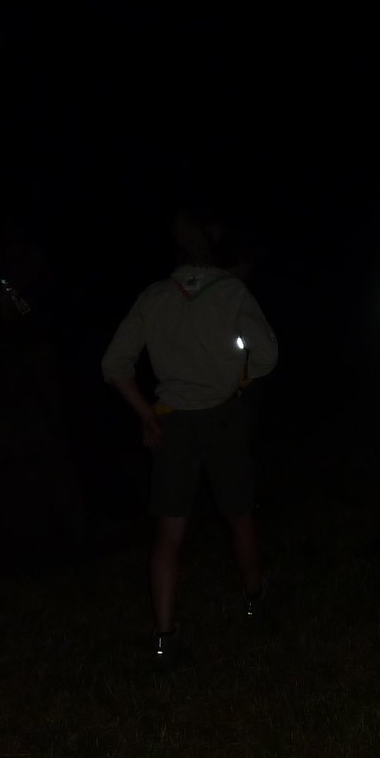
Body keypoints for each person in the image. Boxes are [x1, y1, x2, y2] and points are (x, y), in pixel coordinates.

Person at [101, 203, 277, 668]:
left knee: (169, 529)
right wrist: (238, 380)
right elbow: (267, 356)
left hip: (172, 420)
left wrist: (146, 415)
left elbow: (113, 365)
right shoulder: (231, 291)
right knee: (239, 513)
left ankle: (164, 635)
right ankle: (255, 598)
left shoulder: (154, 297)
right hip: (222, 416)